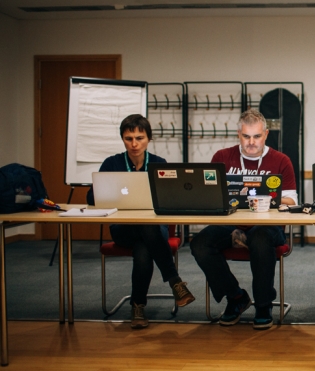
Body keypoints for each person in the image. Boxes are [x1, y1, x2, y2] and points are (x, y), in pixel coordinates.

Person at [190, 109, 298, 330]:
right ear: (238, 134)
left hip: (267, 225)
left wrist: (266, 199)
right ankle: (236, 297)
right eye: (246, 136)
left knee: (259, 237)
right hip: (230, 223)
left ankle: (263, 305)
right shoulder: (222, 157)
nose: (251, 142)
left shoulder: (281, 160)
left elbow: (291, 200)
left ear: (266, 134)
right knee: (199, 243)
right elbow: (210, 195)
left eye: (256, 136)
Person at [87, 114, 195, 329]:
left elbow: (171, 199)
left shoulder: (158, 164)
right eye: (129, 138)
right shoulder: (112, 163)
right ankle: (174, 281)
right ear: (122, 139)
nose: (134, 144)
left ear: (148, 139)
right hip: (123, 229)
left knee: (144, 248)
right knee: (147, 235)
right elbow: (92, 199)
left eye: (139, 138)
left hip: (155, 229)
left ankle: (138, 307)